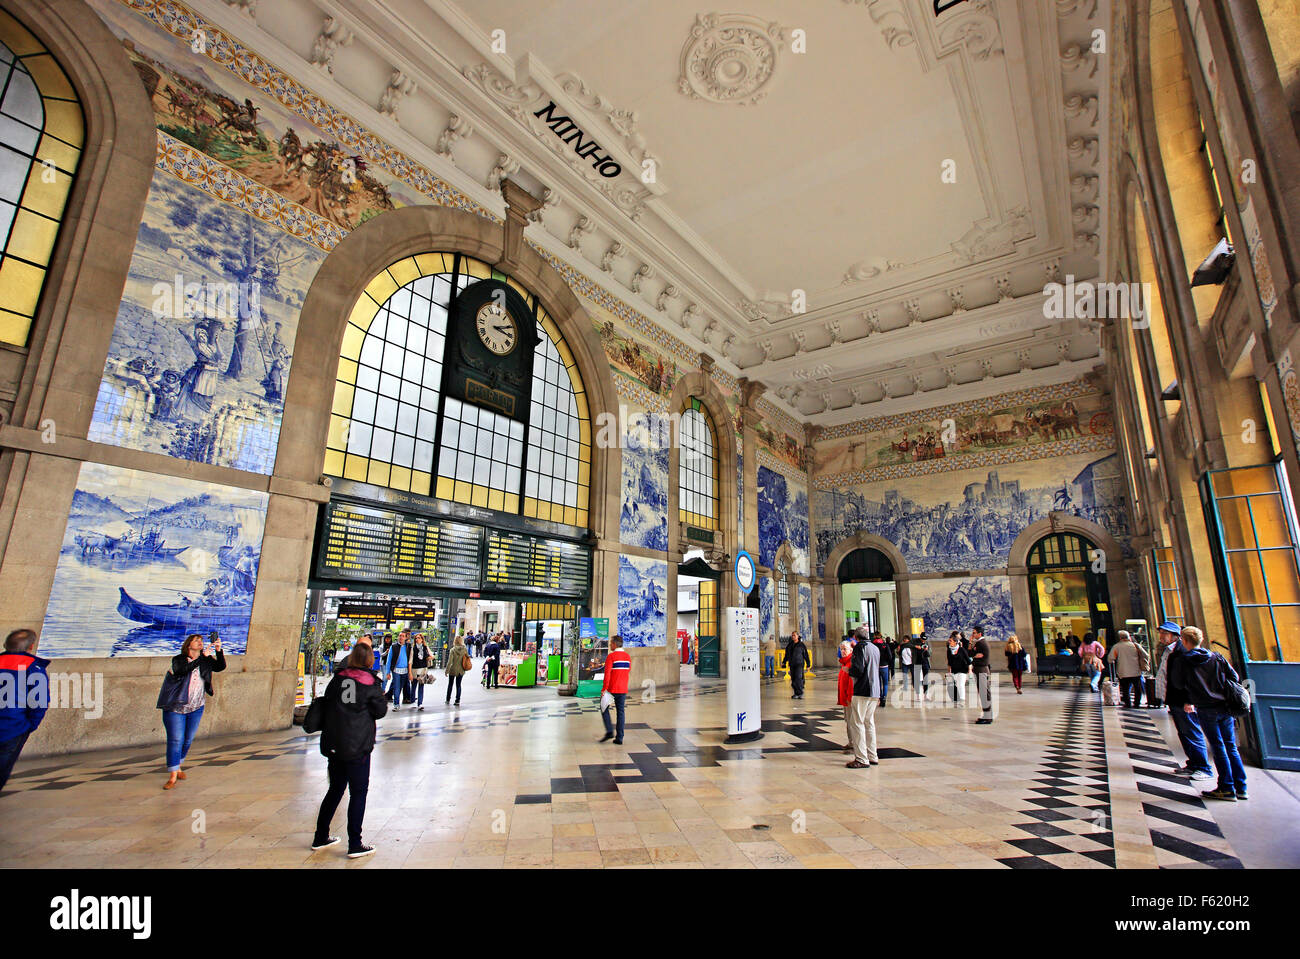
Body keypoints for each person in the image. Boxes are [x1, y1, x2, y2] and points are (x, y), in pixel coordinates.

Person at [311, 643, 387, 859]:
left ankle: (320, 836)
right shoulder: (370, 682)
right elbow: (380, 711)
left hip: (335, 743)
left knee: (335, 789)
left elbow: (327, 703)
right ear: (369, 660)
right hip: (357, 745)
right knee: (358, 793)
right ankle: (355, 843)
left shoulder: (337, 679)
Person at [1169, 626, 1248, 801]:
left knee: (1218, 747)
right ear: (1201, 640)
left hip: (1206, 707)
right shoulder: (1216, 656)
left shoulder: (1183, 660)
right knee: (1230, 746)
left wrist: (1193, 694)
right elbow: (1233, 677)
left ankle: (1226, 788)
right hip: (1224, 706)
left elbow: (1178, 684)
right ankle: (1241, 787)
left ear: (1184, 641)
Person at [158, 633, 226, 790]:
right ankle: (173, 775)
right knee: (176, 740)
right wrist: (203, 657)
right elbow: (183, 670)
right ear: (188, 645)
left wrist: (218, 651)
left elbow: (220, 667)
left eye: (201, 641)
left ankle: (178, 765)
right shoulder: (179, 659)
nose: (200, 643)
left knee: (187, 740)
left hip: (196, 707)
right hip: (176, 707)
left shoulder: (206, 660)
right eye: (197, 641)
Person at [1153, 621, 1214, 782]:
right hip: (1174, 698)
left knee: (1192, 731)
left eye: (1165, 633)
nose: (1161, 636)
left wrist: (1189, 700)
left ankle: (1203, 767)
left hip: (1183, 700)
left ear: (1176, 636)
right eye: (1161, 633)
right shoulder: (1169, 650)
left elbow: (1189, 678)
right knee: (1184, 732)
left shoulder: (1182, 651)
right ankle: (1193, 764)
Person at [0, 629, 49, 792]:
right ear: (31, 647)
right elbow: (39, 702)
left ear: (6, 645)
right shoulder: (33, 667)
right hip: (14, 727)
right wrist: (31, 725)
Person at [845, 627, 881, 769]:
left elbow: (858, 669)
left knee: (857, 723)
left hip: (863, 690)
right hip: (875, 690)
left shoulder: (860, 648)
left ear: (855, 637)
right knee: (869, 723)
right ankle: (873, 756)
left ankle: (861, 758)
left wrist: (849, 671)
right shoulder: (874, 647)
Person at [599, 635, 632, 745]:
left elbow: (607, 674)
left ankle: (609, 731)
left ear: (614, 644)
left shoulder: (611, 657)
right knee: (621, 712)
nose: (609, 645)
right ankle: (620, 737)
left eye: (610, 643)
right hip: (623, 689)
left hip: (611, 689)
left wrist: (604, 689)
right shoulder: (627, 657)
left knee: (604, 708)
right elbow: (628, 671)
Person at [1108, 630, 1149, 707]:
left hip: (1123, 671)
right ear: (1128, 637)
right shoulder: (1135, 645)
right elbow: (1146, 655)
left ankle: (1128, 703)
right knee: (1137, 688)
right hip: (1136, 671)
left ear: (1120, 638)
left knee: (1125, 688)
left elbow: (1110, 658)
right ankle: (1137, 703)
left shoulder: (1116, 647)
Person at [970, 625, 993, 723]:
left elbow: (970, 654)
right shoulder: (979, 643)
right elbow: (971, 653)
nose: (973, 634)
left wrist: (973, 655)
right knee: (983, 693)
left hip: (981, 669)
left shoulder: (981, 643)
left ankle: (987, 717)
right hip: (980, 669)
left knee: (984, 693)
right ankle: (986, 714)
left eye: (974, 632)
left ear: (980, 633)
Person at [837, 639, 855, 752]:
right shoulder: (844, 662)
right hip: (845, 698)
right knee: (848, 721)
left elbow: (852, 682)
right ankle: (851, 742)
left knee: (852, 721)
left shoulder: (851, 663)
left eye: (845, 649)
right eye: (841, 649)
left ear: (851, 650)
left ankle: (854, 743)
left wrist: (849, 698)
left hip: (850, 698)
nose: (843, 651)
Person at [782, 632, 810, 699]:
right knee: (793, 679)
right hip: (792, 664)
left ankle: (800, 693)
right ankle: (796, 693)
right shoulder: (790, 645)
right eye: (792, 635)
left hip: (799, 664)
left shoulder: (801, 645)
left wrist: (808, 664)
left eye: (794, 635)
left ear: (798, 636)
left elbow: (806, 655)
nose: (793, 636)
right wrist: (784, 662)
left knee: (798, 678)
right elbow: (787, 654)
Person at [385, 631, 410, 708]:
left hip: (405, 671)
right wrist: (387, 672)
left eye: (403, 636)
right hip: (396, 670)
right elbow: (389, 660)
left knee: (400, 687)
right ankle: (396, 704)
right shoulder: (394, 646)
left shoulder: (408, 646)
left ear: (406, 638)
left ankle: (398, 701)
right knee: (396, 687)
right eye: (400, 636)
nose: (401, 637)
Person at [946, 632, 971, 704]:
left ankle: (962, 700)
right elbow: (949, 662)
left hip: (962, 670)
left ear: (955, 642)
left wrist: (970, 671)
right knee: (955, 685)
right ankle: (957, 698)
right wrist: (949, 672)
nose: (949, 642)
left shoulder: (961, 649)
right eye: (949, 641)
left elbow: (968, 660)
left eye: (950, 641)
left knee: (960, 684)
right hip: (954, 670)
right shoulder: (949, 650)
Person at [409, 633, 432, 710]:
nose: (417, 639)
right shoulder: (413, 648)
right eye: (416, 638)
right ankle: (412, 700)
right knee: (414, 685)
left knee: (421, 686)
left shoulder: (425, 647)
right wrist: (410, 672)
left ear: (422, 639)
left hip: (423, 669)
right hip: (415, 669)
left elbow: (432, 655)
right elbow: (410, 661)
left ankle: (420, 703)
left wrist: (429, 658)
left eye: (419, 638)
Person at [445, 633, 468, 705]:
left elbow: (449, 661)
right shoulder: (464, 649)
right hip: (461, 670)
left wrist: (447, 670)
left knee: (450, 684)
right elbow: (467, 657)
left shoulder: (452, 650)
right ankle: (457, 700)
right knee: (458, 685)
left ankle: (448, 699)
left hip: (453, 669)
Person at [872, 632, 891, 707]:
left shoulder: (873, 645)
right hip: (884, 666)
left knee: (878, 683)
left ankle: (880, 698)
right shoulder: (885, 645)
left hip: (876, 667)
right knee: (885, 683)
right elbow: (889, 656)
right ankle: (884, 698)